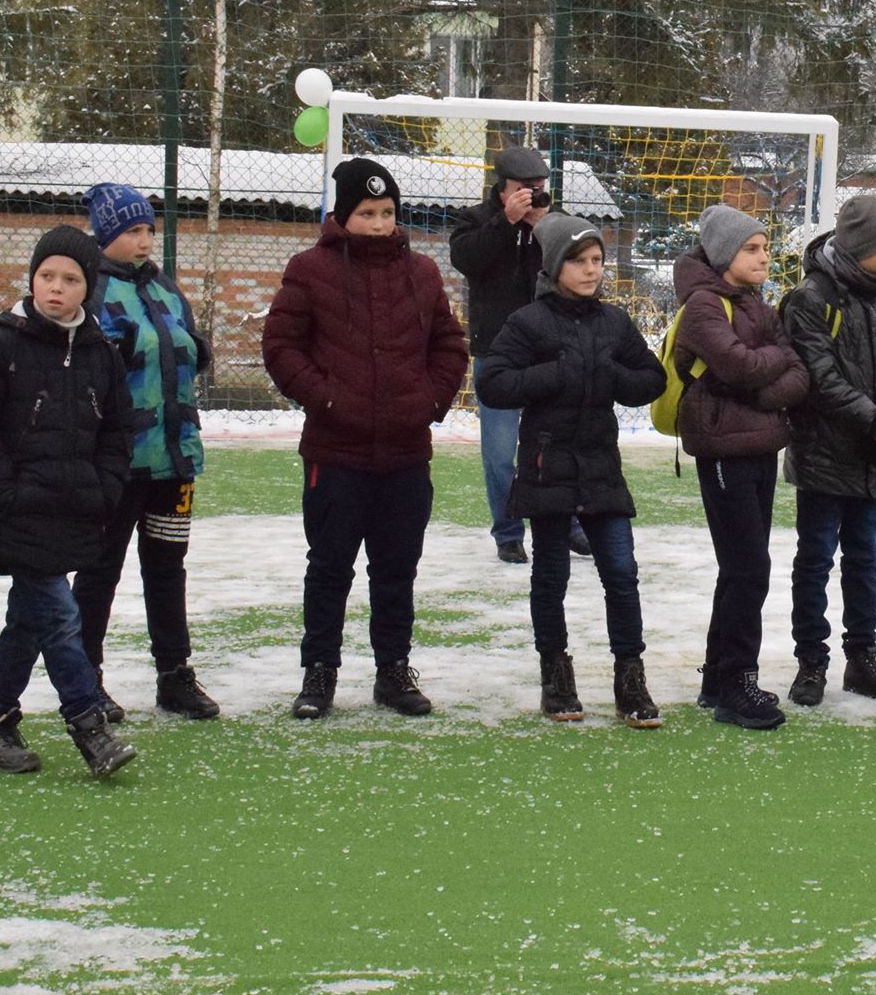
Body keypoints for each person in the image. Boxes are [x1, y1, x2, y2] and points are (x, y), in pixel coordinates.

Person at [261, 158, 470, 720]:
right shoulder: (309, 269)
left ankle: (393, 671)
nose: (379, 224)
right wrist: (328, 399)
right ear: (342, 215)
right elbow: (281, 348)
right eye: (367, 213)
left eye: (387, 213)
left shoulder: (423, 273)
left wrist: (428, 402)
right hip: (336, 453)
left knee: (397, 568)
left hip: (405, 454)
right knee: (329, 566)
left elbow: (450, 346)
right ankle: (319, 673)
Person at [0, 225, 137, 777]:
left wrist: (103, 490)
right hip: (18, 512)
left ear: (88, 287)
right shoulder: (2, 344)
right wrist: (1, 489)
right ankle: (90, 727)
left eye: (71, 278)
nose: (56, 287)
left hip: (75, 511)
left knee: (30, 621)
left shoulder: (100, 352)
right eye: (46, 275)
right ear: (32, 279)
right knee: (59, 616)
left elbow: (118, 433)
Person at [478, 214, 668, 725]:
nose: (590, 271)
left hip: (602, 468)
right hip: (548, 466)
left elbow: (651, 378)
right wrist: (552, 375)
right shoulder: (529, 322)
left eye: (597, 261)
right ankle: (556, 676)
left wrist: (610, 374)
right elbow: (492, 382)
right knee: (551, 576)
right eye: (579, 261)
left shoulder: (614, 322)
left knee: (622, 574)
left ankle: (630, 675)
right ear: (555, 265)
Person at [70, 183, 220, 721]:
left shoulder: (164, 287)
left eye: (148, 231)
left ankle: (174, 675)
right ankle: (84, 679)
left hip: (173, 460)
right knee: (99, 571)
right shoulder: (92, 291)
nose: (143, 241)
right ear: (106, 235)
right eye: (132, 231)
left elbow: (186, 347)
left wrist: (197, 351)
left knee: (166, 568)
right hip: (116, 464)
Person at [672, 206, 811, 727]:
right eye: (751, 249)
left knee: (739, 570)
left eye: (765, 247)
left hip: (759, 448)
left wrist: (759, 378)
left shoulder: (755, 302)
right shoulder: (704, 306)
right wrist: (762, 371)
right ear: (725, 254)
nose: (763, 257)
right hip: (724, 451)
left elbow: (796, 367)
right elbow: (739, 364)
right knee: (750, 569)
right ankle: (737, 683)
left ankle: (718, 677)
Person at [784, 195, 876, 705]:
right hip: (824, 455)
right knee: (815, 560)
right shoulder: (811, 297)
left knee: (865, 559)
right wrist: (872, 422)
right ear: (859, 247)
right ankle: (811, 664)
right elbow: (820, 377)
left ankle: (862, 659)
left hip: (874, 455)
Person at [448, 145, 570, 564]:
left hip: (548, 352)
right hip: (496, 353)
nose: (533, 195)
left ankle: (564, 525)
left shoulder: (552, 223)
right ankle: (508, 533)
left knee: (556, 446)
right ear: (502, 189)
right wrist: (507, 223)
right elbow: (467, 259)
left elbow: (573, 272)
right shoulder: (476, 220)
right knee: (500, 454)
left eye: (539, 188)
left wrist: (544, 227)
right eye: (524, 189)